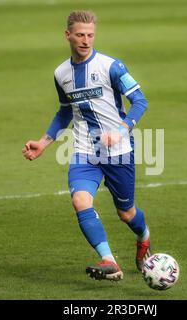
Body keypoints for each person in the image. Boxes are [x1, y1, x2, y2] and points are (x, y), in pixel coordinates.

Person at [22, 10, 150, 282]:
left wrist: (121, 129)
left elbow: (140, 101)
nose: (85, 40)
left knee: (126, 213)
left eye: (90, 35)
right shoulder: (61, 73)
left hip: (118, 152)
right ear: (68, 35)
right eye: (80, 35)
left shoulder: (113, 66)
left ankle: (144, 238)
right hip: (84, 150)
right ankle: (110, 261)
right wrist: (44, 142)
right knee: (80, 200)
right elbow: (65, 111)